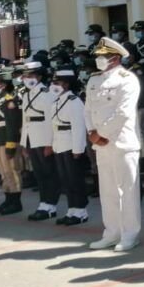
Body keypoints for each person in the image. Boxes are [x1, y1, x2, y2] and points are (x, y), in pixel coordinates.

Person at [84, 38, 141, 251]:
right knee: (107, 190)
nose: (98, 60)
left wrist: (103, 133)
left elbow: (123, 112)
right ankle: (111, 233)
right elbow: (88, 109)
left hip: (122, 141)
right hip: (101, 143)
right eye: (98, 56)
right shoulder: (93, 80)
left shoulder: (128, 79)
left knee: (127, 190)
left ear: (115, 58)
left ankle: (130, 234)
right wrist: (92, 132)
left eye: (102, 56)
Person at [49, 68, 89, 226]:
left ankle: (81, 211)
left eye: (57, 82)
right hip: (60, 143)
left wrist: (78, 149)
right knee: (66, 179)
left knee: (75, 179)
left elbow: (79, 126)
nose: (54, 85)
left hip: (71, 144)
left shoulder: (74, 101)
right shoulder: (58, 100)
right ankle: (71, 209)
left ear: (66, 84)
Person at [20, 61, 58, 220]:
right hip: (31, 138)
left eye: (32, 75)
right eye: (26, 75)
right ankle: (43, 203)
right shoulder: (26, 94)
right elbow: (25, 120)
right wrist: (23, 142)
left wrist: (50, 143)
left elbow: (51, 120)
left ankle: (51, 205)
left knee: (49, 172)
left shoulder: (47, 93)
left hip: (43, 138)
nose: (28, 78)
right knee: (39, 173)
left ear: (40, 76)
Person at [0, 70, 23, 215]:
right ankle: (8, 198)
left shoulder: (10, 101)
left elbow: (12, 124)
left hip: (7, 140)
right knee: (3, 172)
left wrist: (11, 145)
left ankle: (16, 201)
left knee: (12, 171)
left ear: (3, 85)